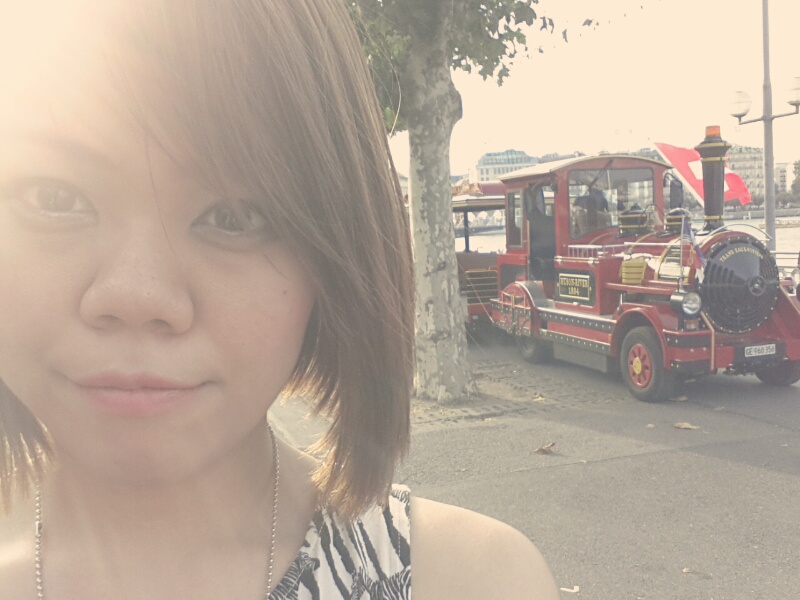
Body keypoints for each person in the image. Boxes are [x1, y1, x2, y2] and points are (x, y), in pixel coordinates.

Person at [0, 1, 559, 598]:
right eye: (54, 199)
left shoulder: (468, 581)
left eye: (234, 216)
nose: (138, 295)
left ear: (333, 258)